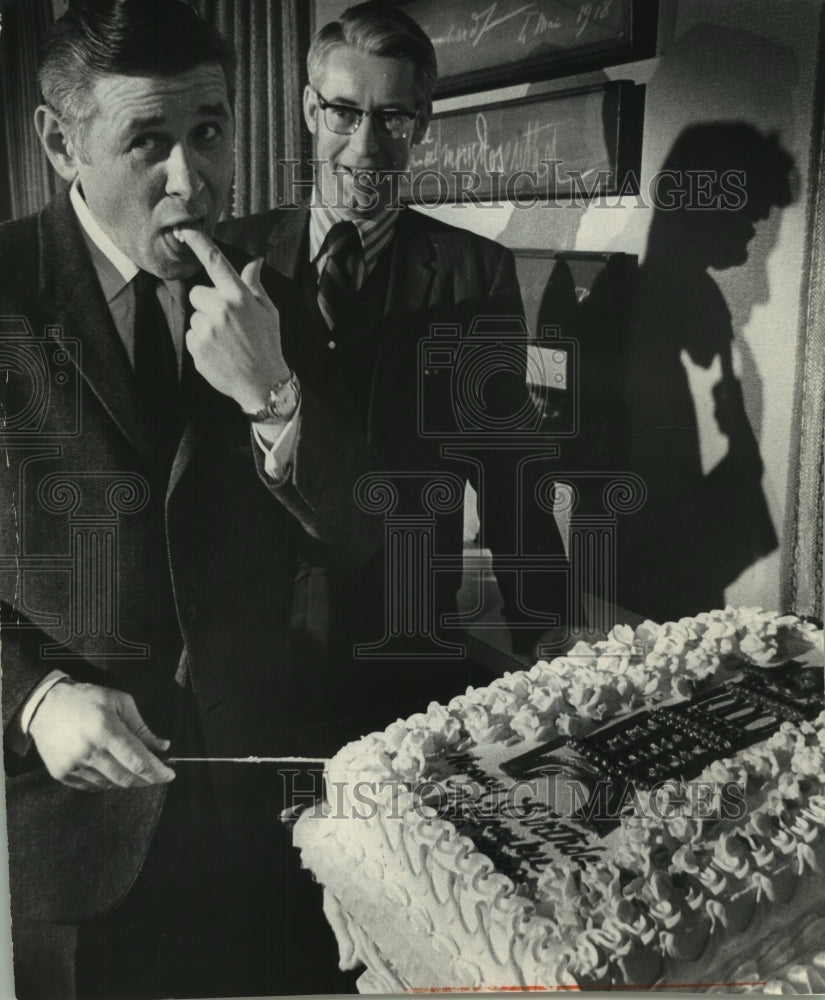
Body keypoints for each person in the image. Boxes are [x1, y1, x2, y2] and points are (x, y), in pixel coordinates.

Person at [0, 1, 381, 996]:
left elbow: (358, 530)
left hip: (258, 814)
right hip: (70, 836)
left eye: (209, 132)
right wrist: (31, 698)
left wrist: (274, 396)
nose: (192, 179)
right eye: (148, 142)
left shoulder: (274, 298)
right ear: (61, 143)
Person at [219, 2, 570, 722]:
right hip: (248, 638)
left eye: (392, 119)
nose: (365, 146)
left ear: (422, 122)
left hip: (405, 639)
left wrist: (548, 634)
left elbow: (508, 470)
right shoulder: (231, 254)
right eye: (344, 113)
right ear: (309, 110)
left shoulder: (476, 274)